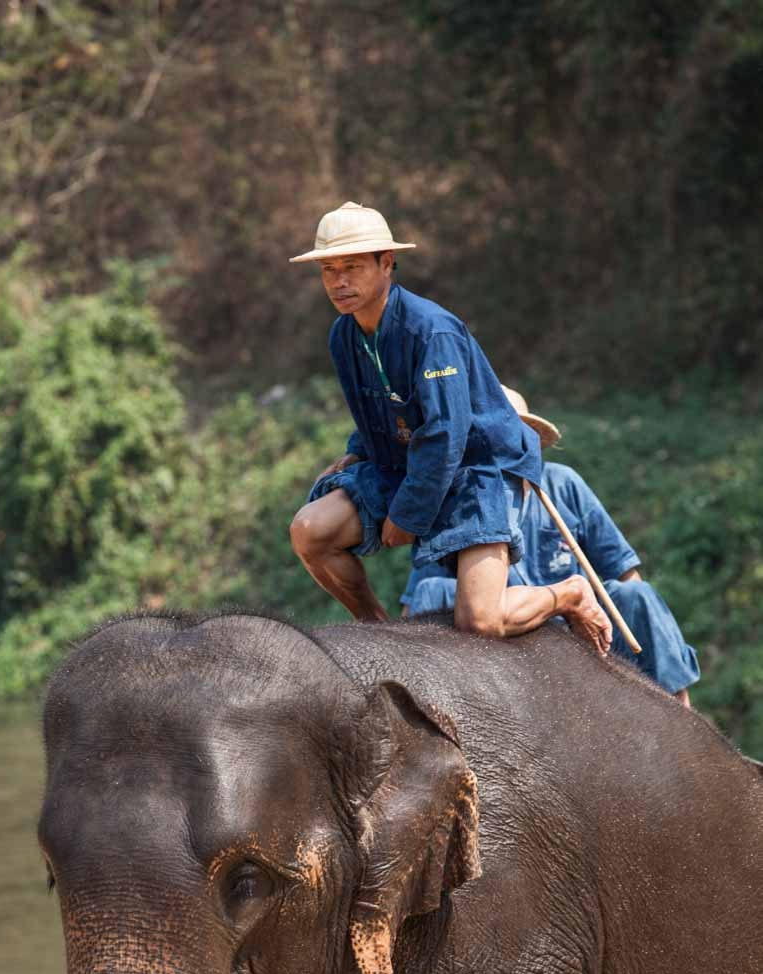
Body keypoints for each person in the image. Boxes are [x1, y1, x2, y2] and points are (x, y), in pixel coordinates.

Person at [288, 202, 613, 654]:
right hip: (402, 464)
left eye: (353, 267)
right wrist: (359, 451)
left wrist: (407, 515)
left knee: (480, 624)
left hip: (474, 470)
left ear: (387, 263)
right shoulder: (344, 335)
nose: (339, 281)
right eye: (328, 269)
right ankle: (379, 632)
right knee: (309, 531)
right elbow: (377, 409)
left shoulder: (431, 331)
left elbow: (446, 435)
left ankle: (568, 594)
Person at [401, 410, 700, 706]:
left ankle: (682, 718)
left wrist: (644, 624)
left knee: (635, 594)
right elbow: (417, 601)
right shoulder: (456, 502)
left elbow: (624, 573)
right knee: (433, 592)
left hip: (580, 628)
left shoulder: (562, 484)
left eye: (511, 438)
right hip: (504, 637)